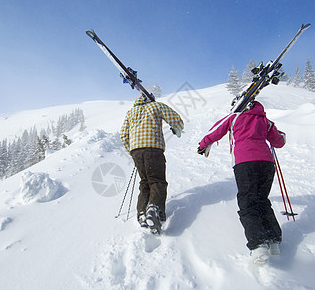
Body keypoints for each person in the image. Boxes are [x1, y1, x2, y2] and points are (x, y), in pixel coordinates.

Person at [198, 100, 286, 264]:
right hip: (267, 163)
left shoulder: (234, 117)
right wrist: (282, 136)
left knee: (247, 200)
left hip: (245, 162)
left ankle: (258, 244)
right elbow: (279, 141)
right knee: (262, 199)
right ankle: (273, 239)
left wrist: (203, 145)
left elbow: (216, 131)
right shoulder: (264, 121)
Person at [120, 94, 184, 234]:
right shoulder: (157, 106)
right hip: (153, 149)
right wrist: (178, 128)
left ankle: (142, 214)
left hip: (136, 151)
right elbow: (174, 118)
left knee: (145, 182)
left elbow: (124, 135)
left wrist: (132, 150)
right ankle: (154, 210)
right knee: (157, 181)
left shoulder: (130, 112)